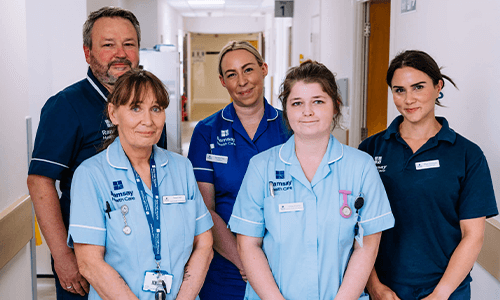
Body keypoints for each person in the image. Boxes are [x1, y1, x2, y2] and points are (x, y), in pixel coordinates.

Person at [27, 7, 167, 299]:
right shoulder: (66, 106)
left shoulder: (150, 107)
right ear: (87, 52)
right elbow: (40, 182)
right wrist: (63, 257)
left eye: (129, 44)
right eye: (108, 44)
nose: (120, 53)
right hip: (86, 258)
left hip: (141, 257)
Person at [228, 60, 395, 299]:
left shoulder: (361, 167)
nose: (307, 111)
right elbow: (248, 245)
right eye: (297, 103)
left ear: (336, 106)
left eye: (318, 101)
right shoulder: (261, 167)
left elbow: (366, 247)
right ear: (286, 109)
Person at [359, 50, 498, 300]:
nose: (409, 99)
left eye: (418, 87)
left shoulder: (467, 155)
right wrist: (373, 285)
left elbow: (473, 235)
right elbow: (357, 226)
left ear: (438, 86)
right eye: (399, 90)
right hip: (385, 289)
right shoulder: (370, 150)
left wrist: (440, 294)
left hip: (447, 289)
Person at [67, 69, 214, 300]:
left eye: (156, 109)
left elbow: (204, 243)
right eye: (136, 108)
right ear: (113, 113)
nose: (148, 120)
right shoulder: (91, 175)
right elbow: (89, 263)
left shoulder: (181, 168)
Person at [187, 41, 291, 299]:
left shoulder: (290, 126)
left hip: (283, 260)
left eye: (248, 70)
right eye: (232, 74)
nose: (242, 81)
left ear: (264, 69)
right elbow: (204, 209)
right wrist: (245, 260)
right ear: (223, 81)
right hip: (228, 263)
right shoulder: (206, 131)